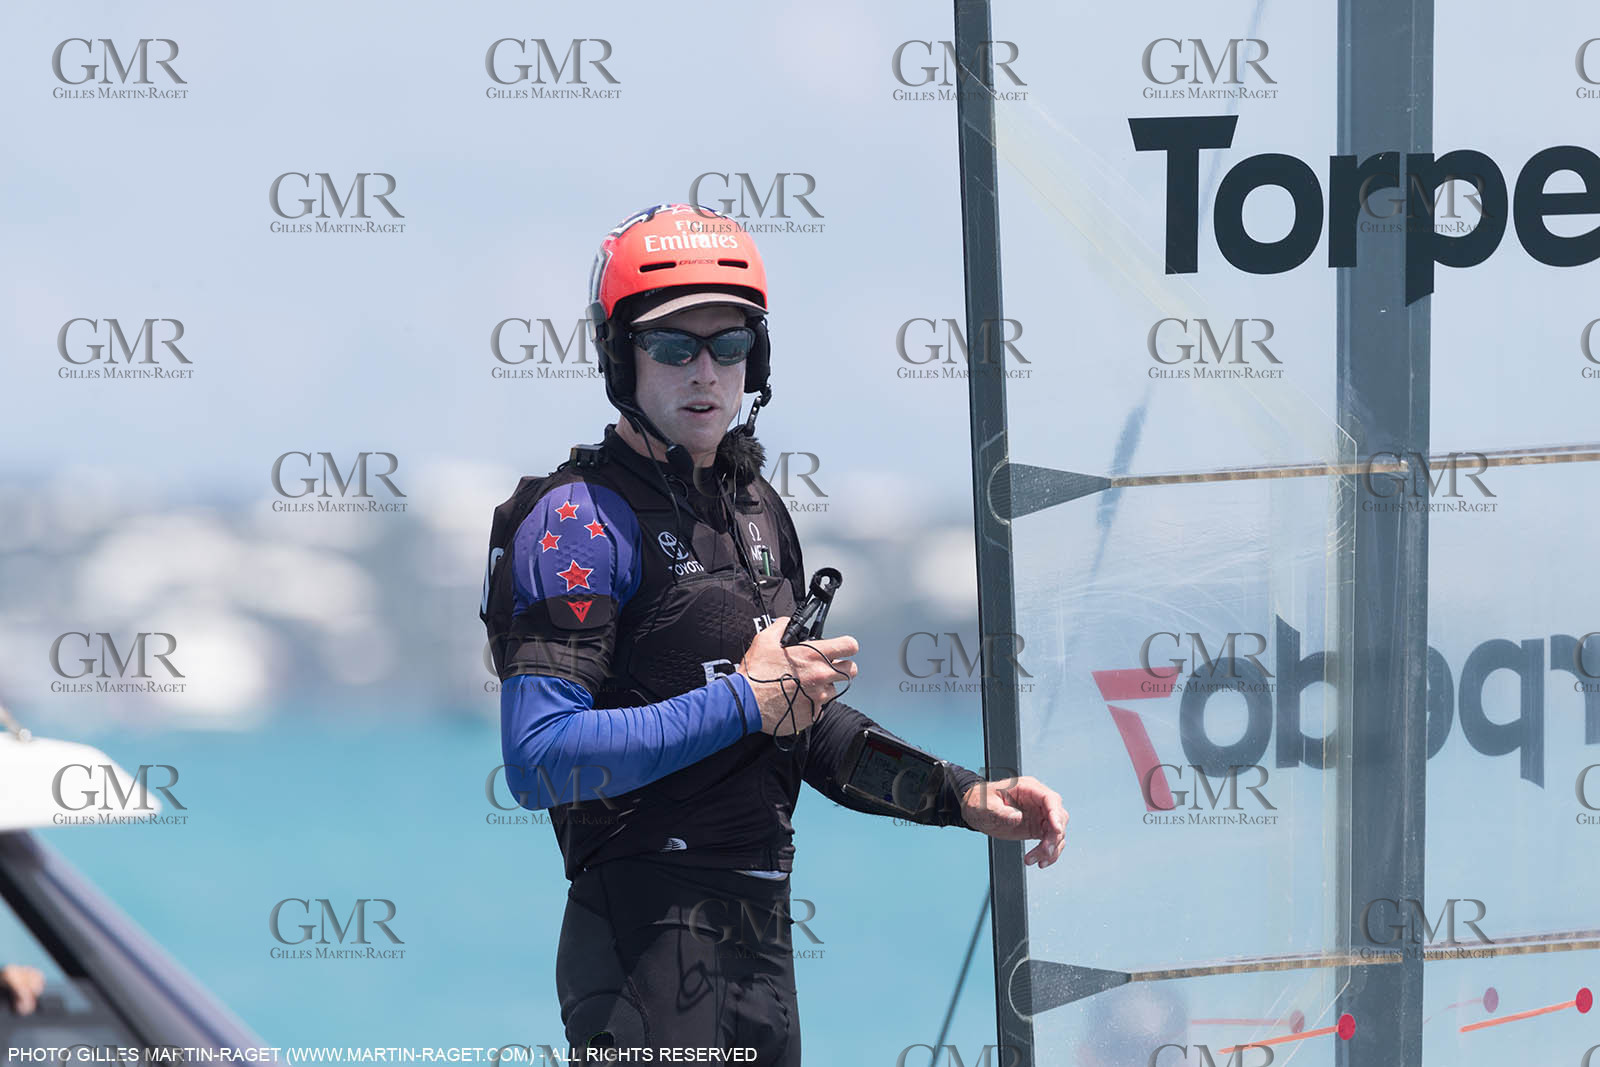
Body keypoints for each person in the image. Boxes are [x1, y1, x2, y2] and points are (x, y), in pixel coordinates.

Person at [481, 202, 1067, 1064]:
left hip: (760, 941)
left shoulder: (756, 511)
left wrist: (963, 797)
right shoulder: (577, 518)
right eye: (673, 345)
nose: (705, 371)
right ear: (621, 357)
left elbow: (801, 729)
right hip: (642, 939)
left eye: (731, 343)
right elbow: (538, 758)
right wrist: (742, 700)